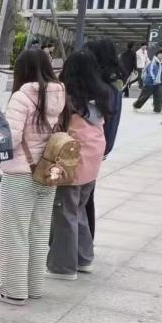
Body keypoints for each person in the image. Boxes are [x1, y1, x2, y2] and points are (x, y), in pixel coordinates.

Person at [0, 49, 67, 306]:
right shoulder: (59, 93)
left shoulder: (22, 97)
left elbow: (11, 138)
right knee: (39, 231)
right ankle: (34, 286)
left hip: (21, 174)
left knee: (14, 232)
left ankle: (13, 289)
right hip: (48, 171)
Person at [48, 49, 108, 279]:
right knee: (78, 209)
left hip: (72, 161)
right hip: (92, 161)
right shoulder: (100, 97)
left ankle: (62, 267)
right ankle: (84, 258)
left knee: (65, 213)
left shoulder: (67, 99)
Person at [84, 38, 124, 238]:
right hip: (101, 144)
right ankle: (86, 241)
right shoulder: (114, 81)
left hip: (92, 145)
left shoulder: (102, 86)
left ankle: (83, 242)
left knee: (82, 197)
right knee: (87, 195)